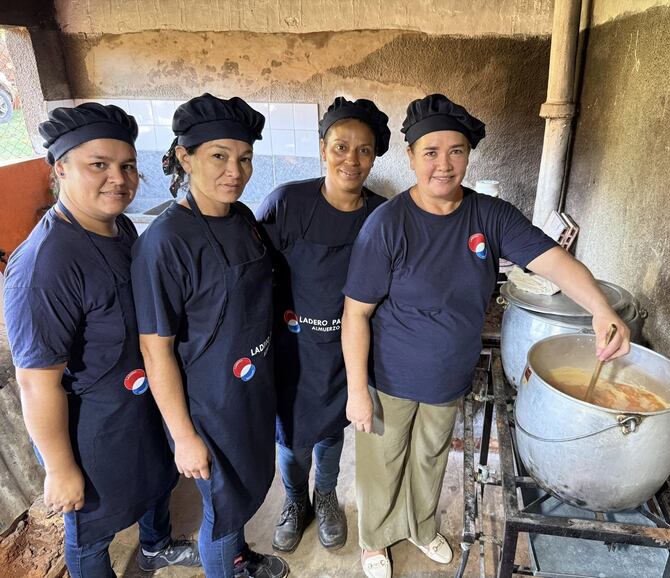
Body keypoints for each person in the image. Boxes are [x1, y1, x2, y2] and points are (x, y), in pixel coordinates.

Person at [341, 93, 632, 578]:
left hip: (448, 374)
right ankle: (375, 539)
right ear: (410, 157)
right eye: (430, 152)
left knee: (431, 459)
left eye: (456, 151)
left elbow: (551, 259)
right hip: (389, 377)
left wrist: (601, 307)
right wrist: (356, 391)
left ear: (468, 155)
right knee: (383, 463)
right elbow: (356, 313)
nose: (444, 164)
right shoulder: (387, 225)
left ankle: (419, 526)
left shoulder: (489, 215)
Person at [2, 102, 200, 577]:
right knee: (91, 527)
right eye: (99, 165)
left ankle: (155, 547)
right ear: (61, 168)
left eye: (127, 165)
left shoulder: (121, 228)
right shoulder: (46, 264)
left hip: (137, 402)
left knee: (157, 481)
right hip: (90, 429)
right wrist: (59, 467)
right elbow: (35, 382)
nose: (119, 178)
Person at [130, 94, 287, 578]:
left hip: (250, 393)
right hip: (209, 407)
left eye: (243, 158)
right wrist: (183, 437)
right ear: (185, 157)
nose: (234, 171)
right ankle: (227, 563)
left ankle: (238, 558)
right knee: (219, 511)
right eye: (218, 156)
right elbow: (155, 352)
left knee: (238, 495)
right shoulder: (165, 242)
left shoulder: (242, 218)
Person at [255, 97, 390, 553]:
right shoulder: (287, 202)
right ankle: (296, 501)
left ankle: (326, 496)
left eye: (364, 150)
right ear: (322, 148)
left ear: (375, 156)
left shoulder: (382, 215)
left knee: (332, 429)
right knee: (291, 435)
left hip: (346, 349)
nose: (351, 160)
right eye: (340, 146)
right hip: (292, 348)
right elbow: (254, 273)